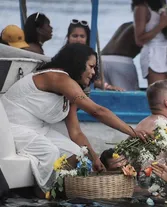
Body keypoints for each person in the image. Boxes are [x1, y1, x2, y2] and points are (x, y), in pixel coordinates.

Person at [0, 43, 151, 192]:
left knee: (78, 153)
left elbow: (76, 133)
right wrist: (132, 131)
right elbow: (97, 111)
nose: (93, 72)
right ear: (78, 63)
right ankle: (43, 200)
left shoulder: (71, 90)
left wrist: (94, 159)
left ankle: (59, 191)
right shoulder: (58, 78)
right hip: (11, 125)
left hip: (38, 129)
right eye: (91, 66)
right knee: (50, 152)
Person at [64, 19, 123, 92]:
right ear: (68, 37)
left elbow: (94, 80)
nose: (78, 39)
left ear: (87, 39)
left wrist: (108, 87)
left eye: (82, 36)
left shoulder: (91, 58)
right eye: (75, 36)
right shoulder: (62, 57)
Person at [132, 0, 167, 86]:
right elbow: (139, 40)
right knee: (159, 92)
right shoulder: (141, 8)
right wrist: (161, 24)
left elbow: (162, 32)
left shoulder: (162, 4)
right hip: (153, 54)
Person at [101, 22, 141, 91]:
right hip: (121, 62)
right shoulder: (146, 25)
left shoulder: (126, 25)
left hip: (101, 59)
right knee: (128, 96)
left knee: (106, 94)